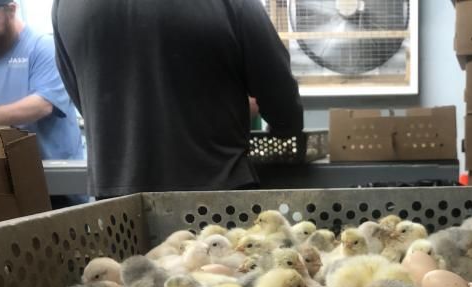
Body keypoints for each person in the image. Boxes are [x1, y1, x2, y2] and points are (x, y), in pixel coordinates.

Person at [52, 0, 304, 199]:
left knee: (129, 265)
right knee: (218, 265)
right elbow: (279, 93)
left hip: (118, 199)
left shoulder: (65, 5)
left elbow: (83, 99)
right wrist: (284, 125)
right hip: (216, 196)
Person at [0, 0, 83, 161]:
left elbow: (42, 105)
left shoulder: (43, 47)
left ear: (11, 10)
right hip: (9, 166)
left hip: (53, 170)